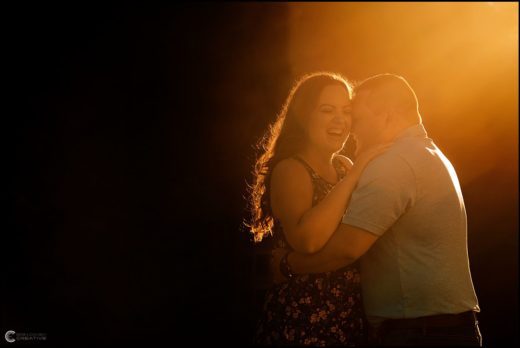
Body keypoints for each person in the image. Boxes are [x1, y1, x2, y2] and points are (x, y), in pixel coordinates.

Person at [272, 73, 482, 346]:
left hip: (421, 332)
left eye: (354, 117)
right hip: (427, 328)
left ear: (385, 116)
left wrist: (287, 265)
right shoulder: (425, 152)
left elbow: (348, 247)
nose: (351, 127)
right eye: (329, 111)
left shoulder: (394, 164)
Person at [246, 71, 389, 346]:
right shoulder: (292, 169)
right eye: (327, 110)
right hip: (304, 321)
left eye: (346, 111)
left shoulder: (343, 166)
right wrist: (356, 173)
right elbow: (307, 240)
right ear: (304, 116)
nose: (340, 120)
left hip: (348, 318)